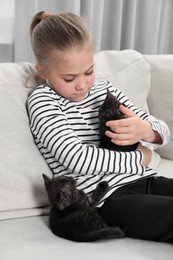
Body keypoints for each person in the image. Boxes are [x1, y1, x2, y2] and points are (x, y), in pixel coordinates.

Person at [28, 11, 173, 242]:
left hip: (143, 180)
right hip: (104, 199)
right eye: (69, 78)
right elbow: (75, 157)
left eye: (89, 71)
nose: (82, 84)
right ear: (42, 71)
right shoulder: (43, 101)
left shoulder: (104, 90)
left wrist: (147, 131)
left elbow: (162, 132)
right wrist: (140, 158)